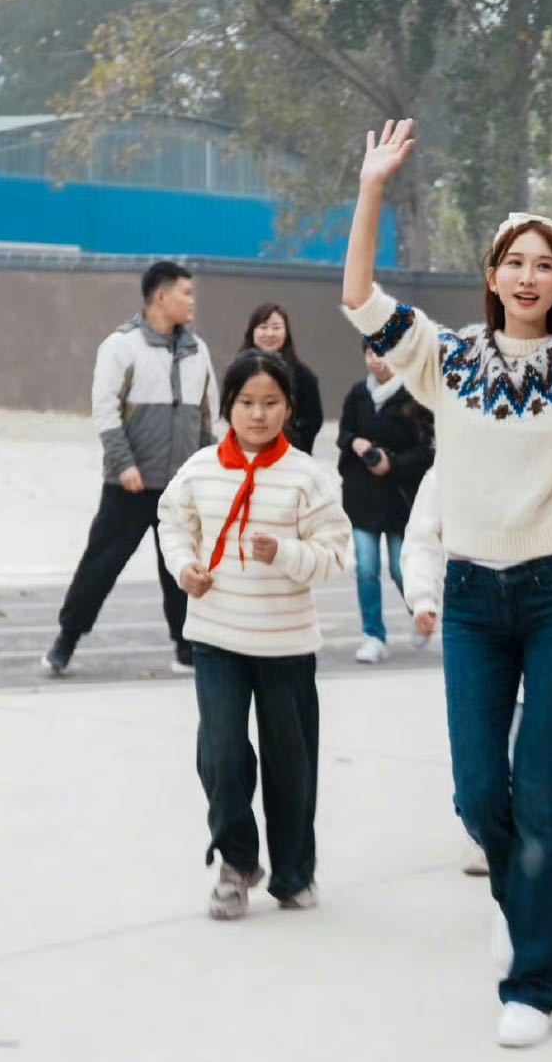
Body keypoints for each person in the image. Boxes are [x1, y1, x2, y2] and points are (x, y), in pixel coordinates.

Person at [341, 118, 552, 1048]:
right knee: (480, 793)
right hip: (476, 600)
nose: (527, 276)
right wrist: (371, 187)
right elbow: (358, 296)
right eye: (513, 262)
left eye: (544, 265)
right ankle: (517, 900)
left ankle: (532, 984)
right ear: (491, 276)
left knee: (536, 788)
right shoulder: (446, 359)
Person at [154, 350, 350, 919]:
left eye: (270, 403)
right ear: (228, 406)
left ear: (289, 407)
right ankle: (236, 861)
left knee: (291, 766)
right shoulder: (200, 468)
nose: (258, 414)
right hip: (216, 636)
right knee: (219, 755)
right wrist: (184, 567)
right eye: (246, 402)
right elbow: (172, 522)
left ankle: (293, 873)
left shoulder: (307, 476)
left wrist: (286, 553)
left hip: (285, 645)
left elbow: (335, 554)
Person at [402, 465, 552, 893]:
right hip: (493, 653)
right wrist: (422, 597)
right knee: (492, 771)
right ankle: (503, 851)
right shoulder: (450, 471)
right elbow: (422, 538)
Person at [44, 260, 219, 678]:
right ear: (161, 296)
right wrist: (124, 464)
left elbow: (207, 415)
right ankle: (66, 639)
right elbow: (105, 411)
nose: (192, 301)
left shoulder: (198, 350)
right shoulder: (121, 346)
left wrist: (204, 468)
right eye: (186, 293)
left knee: (182, 566)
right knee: (101, 564)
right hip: (130, 484)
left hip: (179, 486)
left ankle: (186, 649)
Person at [337, 345, 435, 663]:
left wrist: (391, 463)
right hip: (361, 497)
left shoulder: (414, 395)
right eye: (370, 352)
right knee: (366, 568)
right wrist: (354, 442)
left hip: (399, 499)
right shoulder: (358, 393)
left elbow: (426, 451)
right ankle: (373, 635)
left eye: (383, 352)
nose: (376, 359)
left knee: (399, 567)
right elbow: (343, 433)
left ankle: (421, 614)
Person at [239, 303, 325, 454]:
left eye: (276, 327)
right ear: (252, 331)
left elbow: (312, 421)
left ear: (286, 332)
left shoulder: (303, 376)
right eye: (263, 327)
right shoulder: (238, 371)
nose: (269, 333)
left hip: (289, 455)